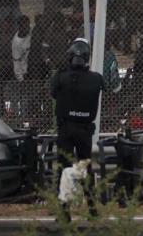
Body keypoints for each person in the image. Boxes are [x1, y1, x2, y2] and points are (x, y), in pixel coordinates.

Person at [50, 38, 119, 213]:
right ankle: (92, 208)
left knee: (64, 170)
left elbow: (53, 93)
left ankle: (63, 211)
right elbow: (109, 88)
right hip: (84, 131)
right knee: (85, 169)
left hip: (66, 130)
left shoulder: (61, 77)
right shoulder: (96, 79)